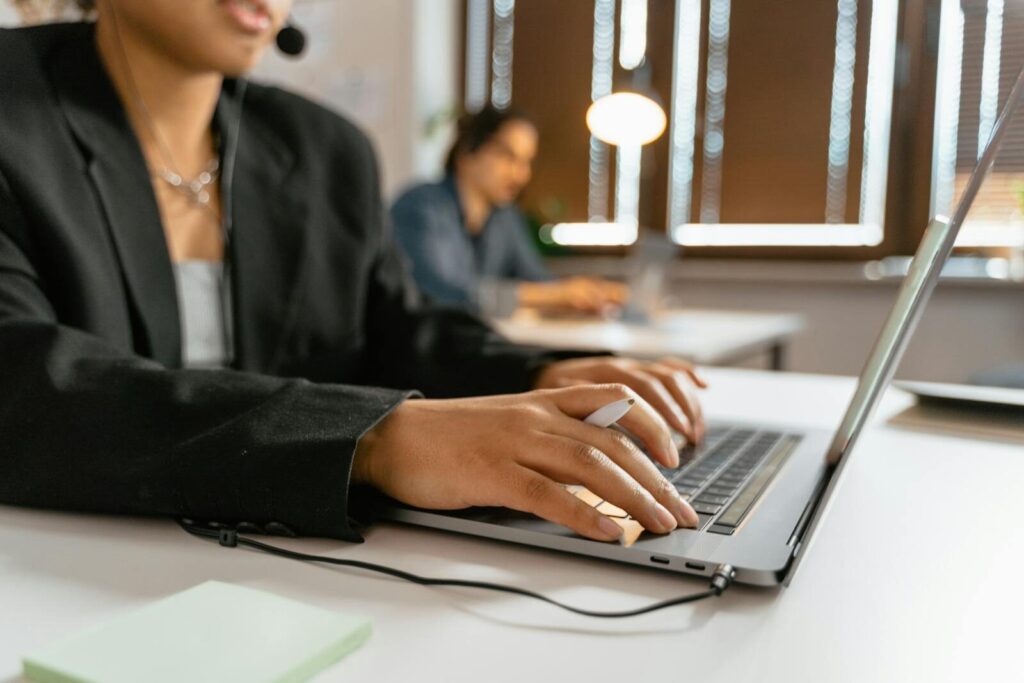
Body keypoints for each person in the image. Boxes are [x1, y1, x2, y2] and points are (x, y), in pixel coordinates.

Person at [0, 0, 706, 546]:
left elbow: (396, 325)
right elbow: (23, 385)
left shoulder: (325, 151)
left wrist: (540, 375)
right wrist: (372, 437)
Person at [391, 105, 627, 316]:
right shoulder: (420, 207)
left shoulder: (504, 217)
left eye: (527, 162)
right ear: (468, 153)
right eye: (508, 157)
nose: (521, 175)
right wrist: (550, 295)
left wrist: (583, 293)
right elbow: (441, 293)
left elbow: (537, 279)